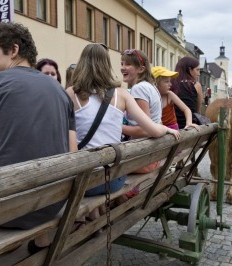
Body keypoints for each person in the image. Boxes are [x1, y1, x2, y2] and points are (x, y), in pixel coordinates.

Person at [0, 22, 77, 256]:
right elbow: (73, 155)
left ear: (13, 50)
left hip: (8, 210)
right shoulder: (61, 92)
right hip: (53, 204)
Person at [66, 43, 180, 220]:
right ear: (107, 65)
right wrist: (166, 128)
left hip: (86, 182)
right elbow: (151, 129)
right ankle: (99, 215)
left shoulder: (71, 94)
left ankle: (89, 219)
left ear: (82, 64)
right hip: (115, 180)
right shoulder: (122, 94)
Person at [121, 49, 162, 138]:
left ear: (141, 69)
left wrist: (116, 127)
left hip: (143, 146)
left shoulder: (139, 89)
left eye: (128, 64)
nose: (122, 68)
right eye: (122, 64)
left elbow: (144, 130)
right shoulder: (150, 86)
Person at [151, 66, 200, 131]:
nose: (170, 84)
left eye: (170, 81)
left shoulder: (169, 95)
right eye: (166, 82)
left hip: (172, 129)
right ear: (156, 83)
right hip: (158, 129)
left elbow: (186, 109)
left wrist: (189, 123)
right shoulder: (151, 97)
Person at [171, 56, 203, 128]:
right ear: (190, 70)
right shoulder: (196, 85)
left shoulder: (170, 84)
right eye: (197, 70)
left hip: (173, 125)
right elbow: (198, 111)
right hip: (190, 125)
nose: (199, 73)